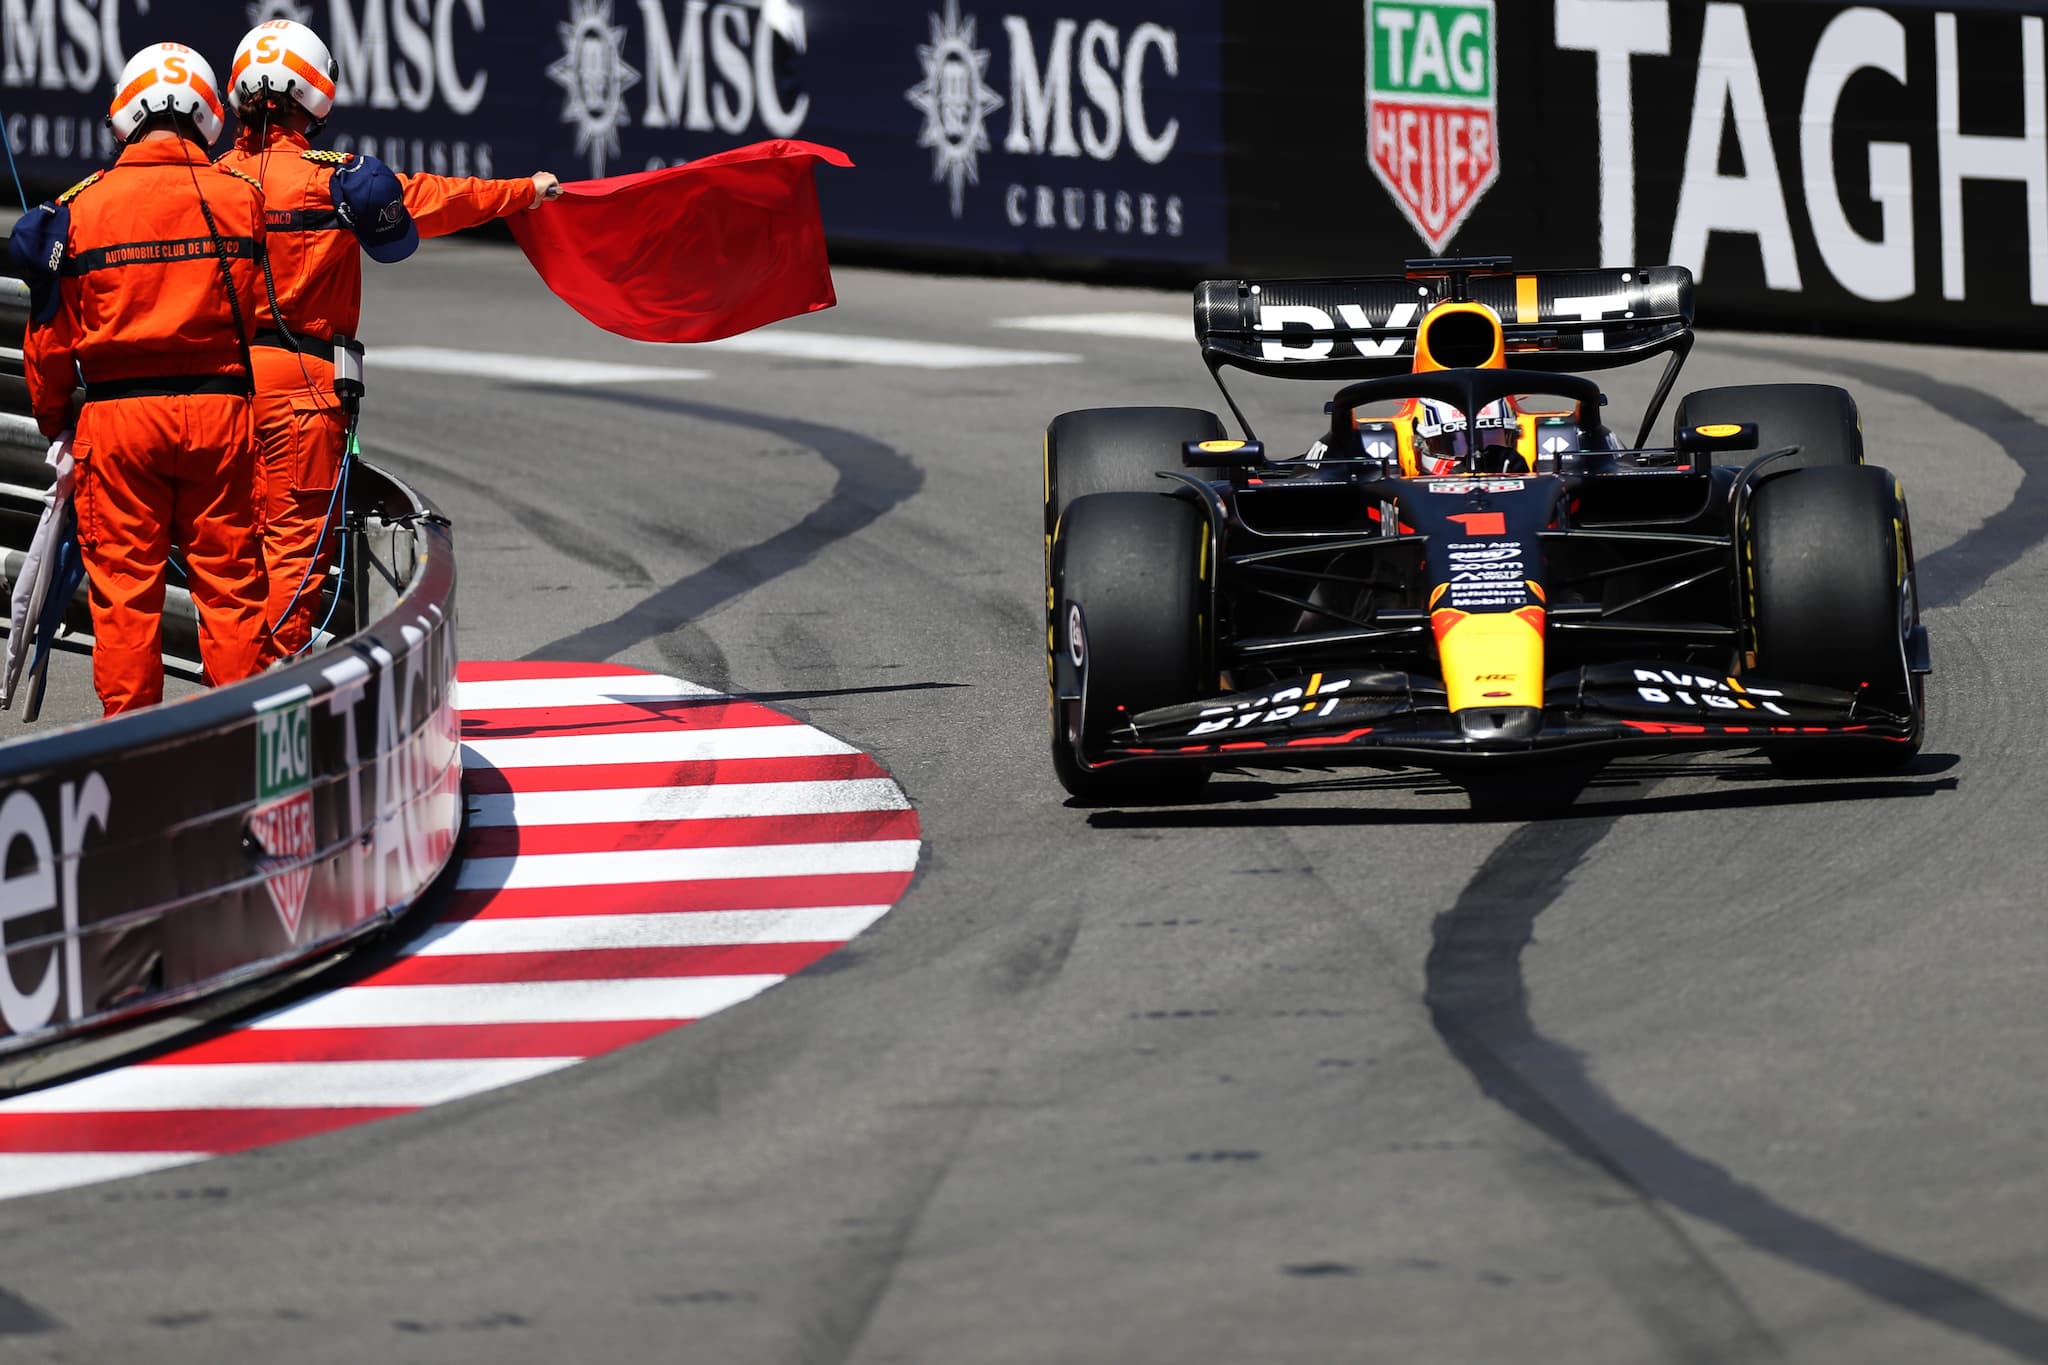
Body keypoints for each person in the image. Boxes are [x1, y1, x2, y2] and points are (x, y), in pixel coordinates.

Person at [216, 18, 563, 661]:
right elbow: (433, 200)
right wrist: (524, 192)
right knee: (294, 564)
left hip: (215, 392)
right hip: (302, 392)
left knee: (227, 563)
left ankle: (213, 709)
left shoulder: (205, 183)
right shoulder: (334, 178)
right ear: (315, 94)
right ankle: (265, 713)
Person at [14, 42, 269, 715]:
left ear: (124, 116)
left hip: (120, 426)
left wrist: (53, 422)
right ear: (209, 115)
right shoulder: (243, 197)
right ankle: (242, 746)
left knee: (125, 596)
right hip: (221, 418)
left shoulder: (79, 208)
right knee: (232, 588)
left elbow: (46, 340)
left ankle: (134, 757)